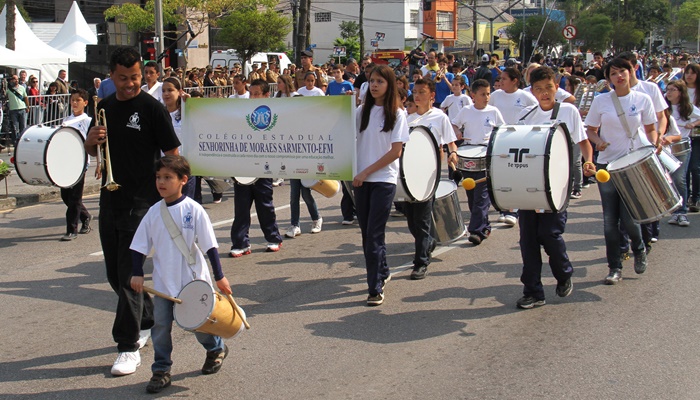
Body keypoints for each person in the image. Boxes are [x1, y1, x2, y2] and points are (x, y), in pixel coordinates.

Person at [84, 46, 181, 376]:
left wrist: (169, 189)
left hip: (142, 202)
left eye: (136, 78)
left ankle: (127, 347)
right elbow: (93, 150)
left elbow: (172, 152)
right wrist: (91, 141)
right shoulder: (104, 106)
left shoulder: (152, 108)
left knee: (128, 275)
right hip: (110, 198)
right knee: (114, 274)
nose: (130, 84)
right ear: (111, 76)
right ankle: (148, 319)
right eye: (123, 78)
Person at [129, 155, 232, 394]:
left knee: (197, 326)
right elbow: (138, 246)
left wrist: (219, 276)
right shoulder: (154, 212)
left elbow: (210, 246)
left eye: (168, 177)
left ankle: (215, 348)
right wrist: (137, 273)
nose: (161, 182)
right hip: (165, 283)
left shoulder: (193, 209)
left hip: (193, 282)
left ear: (183, 180)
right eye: (158, 177)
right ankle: (161, 370)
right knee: (161, 326)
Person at [514, 66, 594, 309]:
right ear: (532, 91)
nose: (544, 93)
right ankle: (533, 291)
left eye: (548, 88)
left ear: (556, 87)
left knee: (549, 234)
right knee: (528, 240)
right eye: (538, 89)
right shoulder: (526, 116)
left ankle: (564, 273)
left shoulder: (568, 111)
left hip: (558, 185)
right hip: (530, 187)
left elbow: (583, 142)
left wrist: (588, 161)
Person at [584, 57, 658, 285]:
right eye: (613, 73)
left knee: (629, 219)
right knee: (609, 221)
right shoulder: (601, 101)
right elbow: (590, 129)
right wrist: (598, 142)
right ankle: (614, 267)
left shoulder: (643, 98)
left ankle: (639, 248)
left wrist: (651, 149)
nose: (619, 76)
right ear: (608, 79)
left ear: (631, 71)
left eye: (622, 71)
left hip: (632, 165)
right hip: (607, 166)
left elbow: (652, 129)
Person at [354, 65, 409, 306]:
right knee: (367, 235)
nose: (374, 85)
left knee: (374, 235)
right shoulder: (360, 112)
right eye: (371, 81)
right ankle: (383, 271)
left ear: (390, 85)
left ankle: (374, 287)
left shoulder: (397, 114)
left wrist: (366, 171)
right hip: (360, 181)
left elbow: (395, 152)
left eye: (380, 81)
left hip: (382, 181)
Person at [401, 78, 459, 279]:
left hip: (429, 173)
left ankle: (421, 262)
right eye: (415, 92)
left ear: (432, 96)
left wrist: (452, 153)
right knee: (411, 219)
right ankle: (428, 242)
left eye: (421, 92)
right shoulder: (407, 120)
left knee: (423, 218)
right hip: (408, 174)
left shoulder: (439, 117)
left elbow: (451, 142)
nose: (416, 96)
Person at [229, 79, 284, 257]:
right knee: (241, 206)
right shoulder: (241, 113)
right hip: (243, 167)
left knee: (265, 204)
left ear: (267, 95)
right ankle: (240, 242)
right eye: (251, 93)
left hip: (264, 167)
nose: (252, 97)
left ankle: (273, 238)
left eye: (256, 94)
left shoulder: (274, 114)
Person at [451, 79, 505, 245]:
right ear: (473, 95)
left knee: (482, 195)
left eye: (488, 93)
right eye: (483, 94)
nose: (487, 97)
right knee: (472, 195)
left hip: (486, 155)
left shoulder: (494, 111)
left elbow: (502, 130)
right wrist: (457, 132)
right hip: (468, 155)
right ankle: (484, 225)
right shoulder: (466, 111)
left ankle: (476, 231)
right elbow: (453, 125)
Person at [488, 67, 538, 226]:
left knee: (515, 172)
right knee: (500, 174)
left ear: (515, 80)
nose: (500, 82)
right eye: (500, 79)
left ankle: (514, 210)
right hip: (499, 139)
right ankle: (504, 207)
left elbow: (537, 111)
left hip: (519, 140)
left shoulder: (525, 96)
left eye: (504, 79)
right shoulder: (495, 96)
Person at [59, 88, 93, 241]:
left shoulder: (88, 121)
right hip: (66, 162)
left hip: (80, 163)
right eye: (72, 100)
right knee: (65, 196)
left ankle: (71, 229)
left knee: (75, 198)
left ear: (85, 103)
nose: (74, 103)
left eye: (78, 100)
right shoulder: (66, 120)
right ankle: (85, 216)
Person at [665, 80, 699, 226]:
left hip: (682, 146)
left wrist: (693, 124)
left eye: (673, 89)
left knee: (680, 179)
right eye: (668, 89)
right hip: (665, 147)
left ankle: (682, 212)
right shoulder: (663, 108)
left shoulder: (687, 108)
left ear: (680, 92)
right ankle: (674, 211)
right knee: (669, 180)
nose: (669, 92)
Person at [161, 77, 196, 199]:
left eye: (170, 90)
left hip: (183, 168)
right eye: (163, 90)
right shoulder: (159, 114)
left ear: (179, 92)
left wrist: (190, 105)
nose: (166, 94)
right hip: (164, 168)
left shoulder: (186, 112)